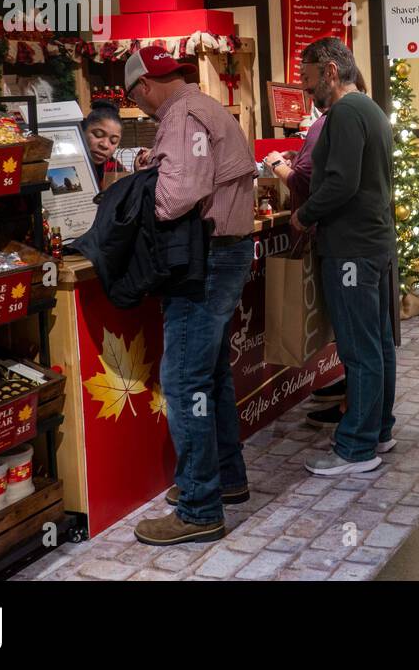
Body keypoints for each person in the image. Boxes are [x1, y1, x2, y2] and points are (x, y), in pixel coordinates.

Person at [125, 45, 257, 547]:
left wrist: (140, 191)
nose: (139, 106)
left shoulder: (180, 116)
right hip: (228, 251)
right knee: (212, 371)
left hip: (205, 259)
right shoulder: (205, 104)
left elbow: (178, 196)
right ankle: (227, 477)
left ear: (143, 86)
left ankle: (201, 507)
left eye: (136, 96)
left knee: (184, 383)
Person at [290, 38, 397, 476]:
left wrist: (304, 214)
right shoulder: (369, 109)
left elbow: (341, 183)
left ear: (331, 71)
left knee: (359, 347)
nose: (305, 87)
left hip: (351, 248)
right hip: (372, 243)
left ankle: (356, 446)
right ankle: (379, 429)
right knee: (378, 343)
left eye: (308, 78)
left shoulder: (346, 113)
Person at [82, 100, 124, 186]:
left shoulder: (116, 169)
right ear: (83, 131)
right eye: (98, 135)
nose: (105, 145)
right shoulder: (66, 164)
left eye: (113, 141)